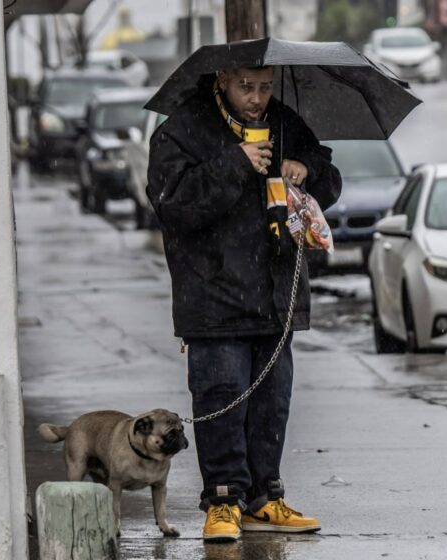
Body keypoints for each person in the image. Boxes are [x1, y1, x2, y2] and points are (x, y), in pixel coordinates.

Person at [146, 65, 342, 542]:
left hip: (277, 296)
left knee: (272, 406)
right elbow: (173, 204)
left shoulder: (284, 122)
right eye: (245, 87)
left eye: (265, 87)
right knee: (222, 400)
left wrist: (307, 169)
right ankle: (223, 501)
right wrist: (235, 162)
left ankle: (264, 499)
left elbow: (330, 181)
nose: (257, 98)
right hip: (212, 296)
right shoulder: (182, 130)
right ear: (220, 82)